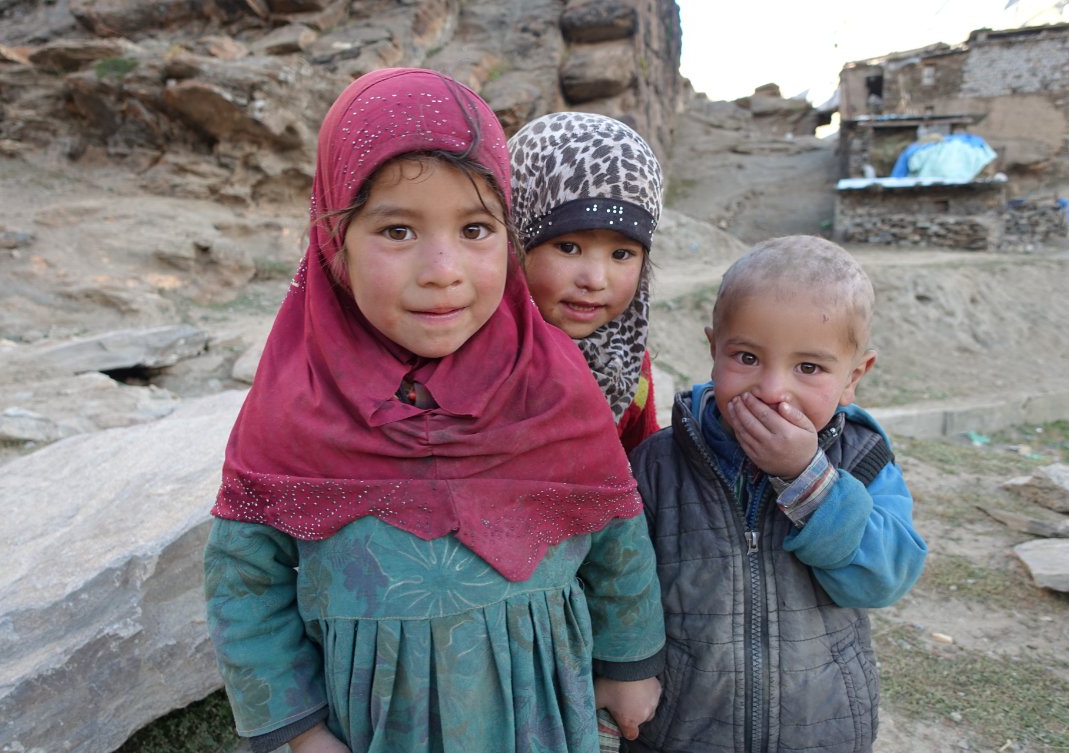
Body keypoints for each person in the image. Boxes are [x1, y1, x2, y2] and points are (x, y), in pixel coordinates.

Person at [202, 67, 665, 753]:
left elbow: (615, 531)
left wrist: (630, 661)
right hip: (376, 726)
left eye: (477, 228)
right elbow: (245, 579)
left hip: (536, 714)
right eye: (397, 230)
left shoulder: (552, 385)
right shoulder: (292, 406)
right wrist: (296, 730)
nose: (443, 267)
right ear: (335, 242)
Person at [628, 236, 928, 753]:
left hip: (820, 726)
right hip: (683, 727)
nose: (771, 389)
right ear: (713, 348)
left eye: (808, 368)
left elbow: (885, 578)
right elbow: (622, 579)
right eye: (746, 356)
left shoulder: (862, 459)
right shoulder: (661, 461)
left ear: (854, 376)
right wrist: (625, 668)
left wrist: (809, 479)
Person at [507, 111, 664, 455]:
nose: (594, 280)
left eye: (621, 254)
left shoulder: (630, 362)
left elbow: (642, 467)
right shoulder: (478, 355)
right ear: (515, 243)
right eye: (568, 247)